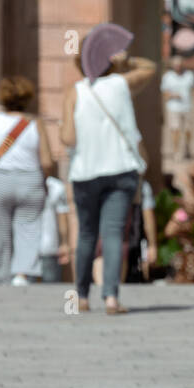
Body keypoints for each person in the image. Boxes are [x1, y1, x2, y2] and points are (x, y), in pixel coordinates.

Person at [60, 22, 156, 314]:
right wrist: (126, 61)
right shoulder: (122, 84)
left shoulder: (75, 92)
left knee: (87, 234)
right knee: (114, 233)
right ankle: (111, 298)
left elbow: (67, 138)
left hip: (86, 172)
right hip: (120, 171)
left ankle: (82, 296)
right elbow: (150, 68)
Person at [0, 76, 56, 286]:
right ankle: (22, 274)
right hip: (30, 179)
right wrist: (46, 179)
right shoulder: (36, 123)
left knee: (0, 230)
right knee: (29, 228)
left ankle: (2, 273)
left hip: (0, 180)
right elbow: (47, 161)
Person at [161, 55, 194, 160]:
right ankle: (176, 151)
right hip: (173, 107)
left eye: (180, 65)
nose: (178, 67)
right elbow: (164, 93)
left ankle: (187, 148)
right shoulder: (167, 77)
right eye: (176, 65)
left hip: (187, 106)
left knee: (187, 130)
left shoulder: (189, 75)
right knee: (175, 129)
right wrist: (173, 95)